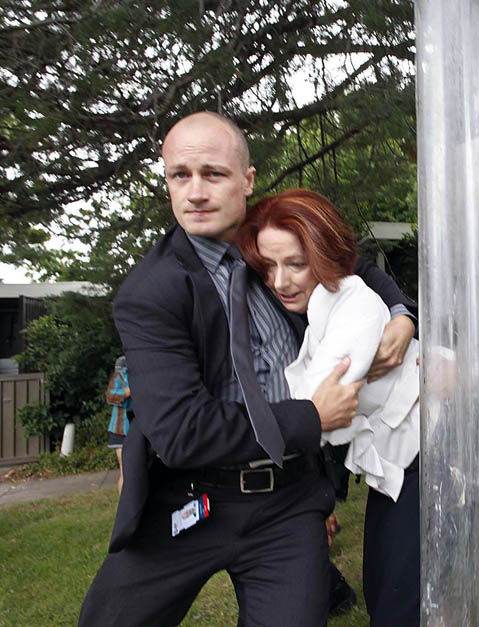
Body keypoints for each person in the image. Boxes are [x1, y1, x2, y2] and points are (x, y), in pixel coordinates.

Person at [79, 111, 416, 626]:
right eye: (179, 175)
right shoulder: (150, 293)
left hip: (288, 501)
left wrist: (400, 314)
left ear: (247, 180)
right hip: (190, 495)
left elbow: (357, 267)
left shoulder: (274, 239)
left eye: (212, 174)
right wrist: (309, 418)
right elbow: (180, 432)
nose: (194, 192)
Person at [238, 188, 420, 627]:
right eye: (269, 267)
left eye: (296, 264)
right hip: (390, 464)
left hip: (422, 453)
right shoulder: (318, 303)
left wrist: (403, 314)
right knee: (385, 587)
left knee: (399, 603)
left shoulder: (351, 303)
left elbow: (320, 412)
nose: (280, 281)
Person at [104, 355, 133, 493]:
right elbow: (110, 396)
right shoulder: (119, 376)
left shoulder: (139, 376)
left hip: (137, 427)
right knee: (125, 469)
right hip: (120, 430)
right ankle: (124, 505)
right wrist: (128, 392)